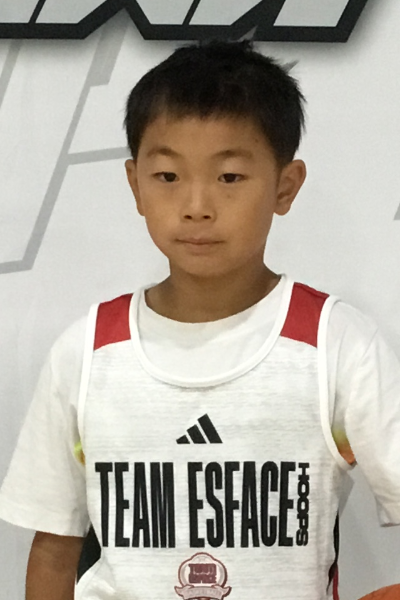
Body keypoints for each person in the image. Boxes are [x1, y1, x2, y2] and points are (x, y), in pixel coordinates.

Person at [0, 40, 399, 600]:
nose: (196, 206)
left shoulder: (337, 344)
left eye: (229, 177)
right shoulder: (86, 352)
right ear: (136, 185)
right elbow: (53, 548)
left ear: (285, 186)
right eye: (168, 176)